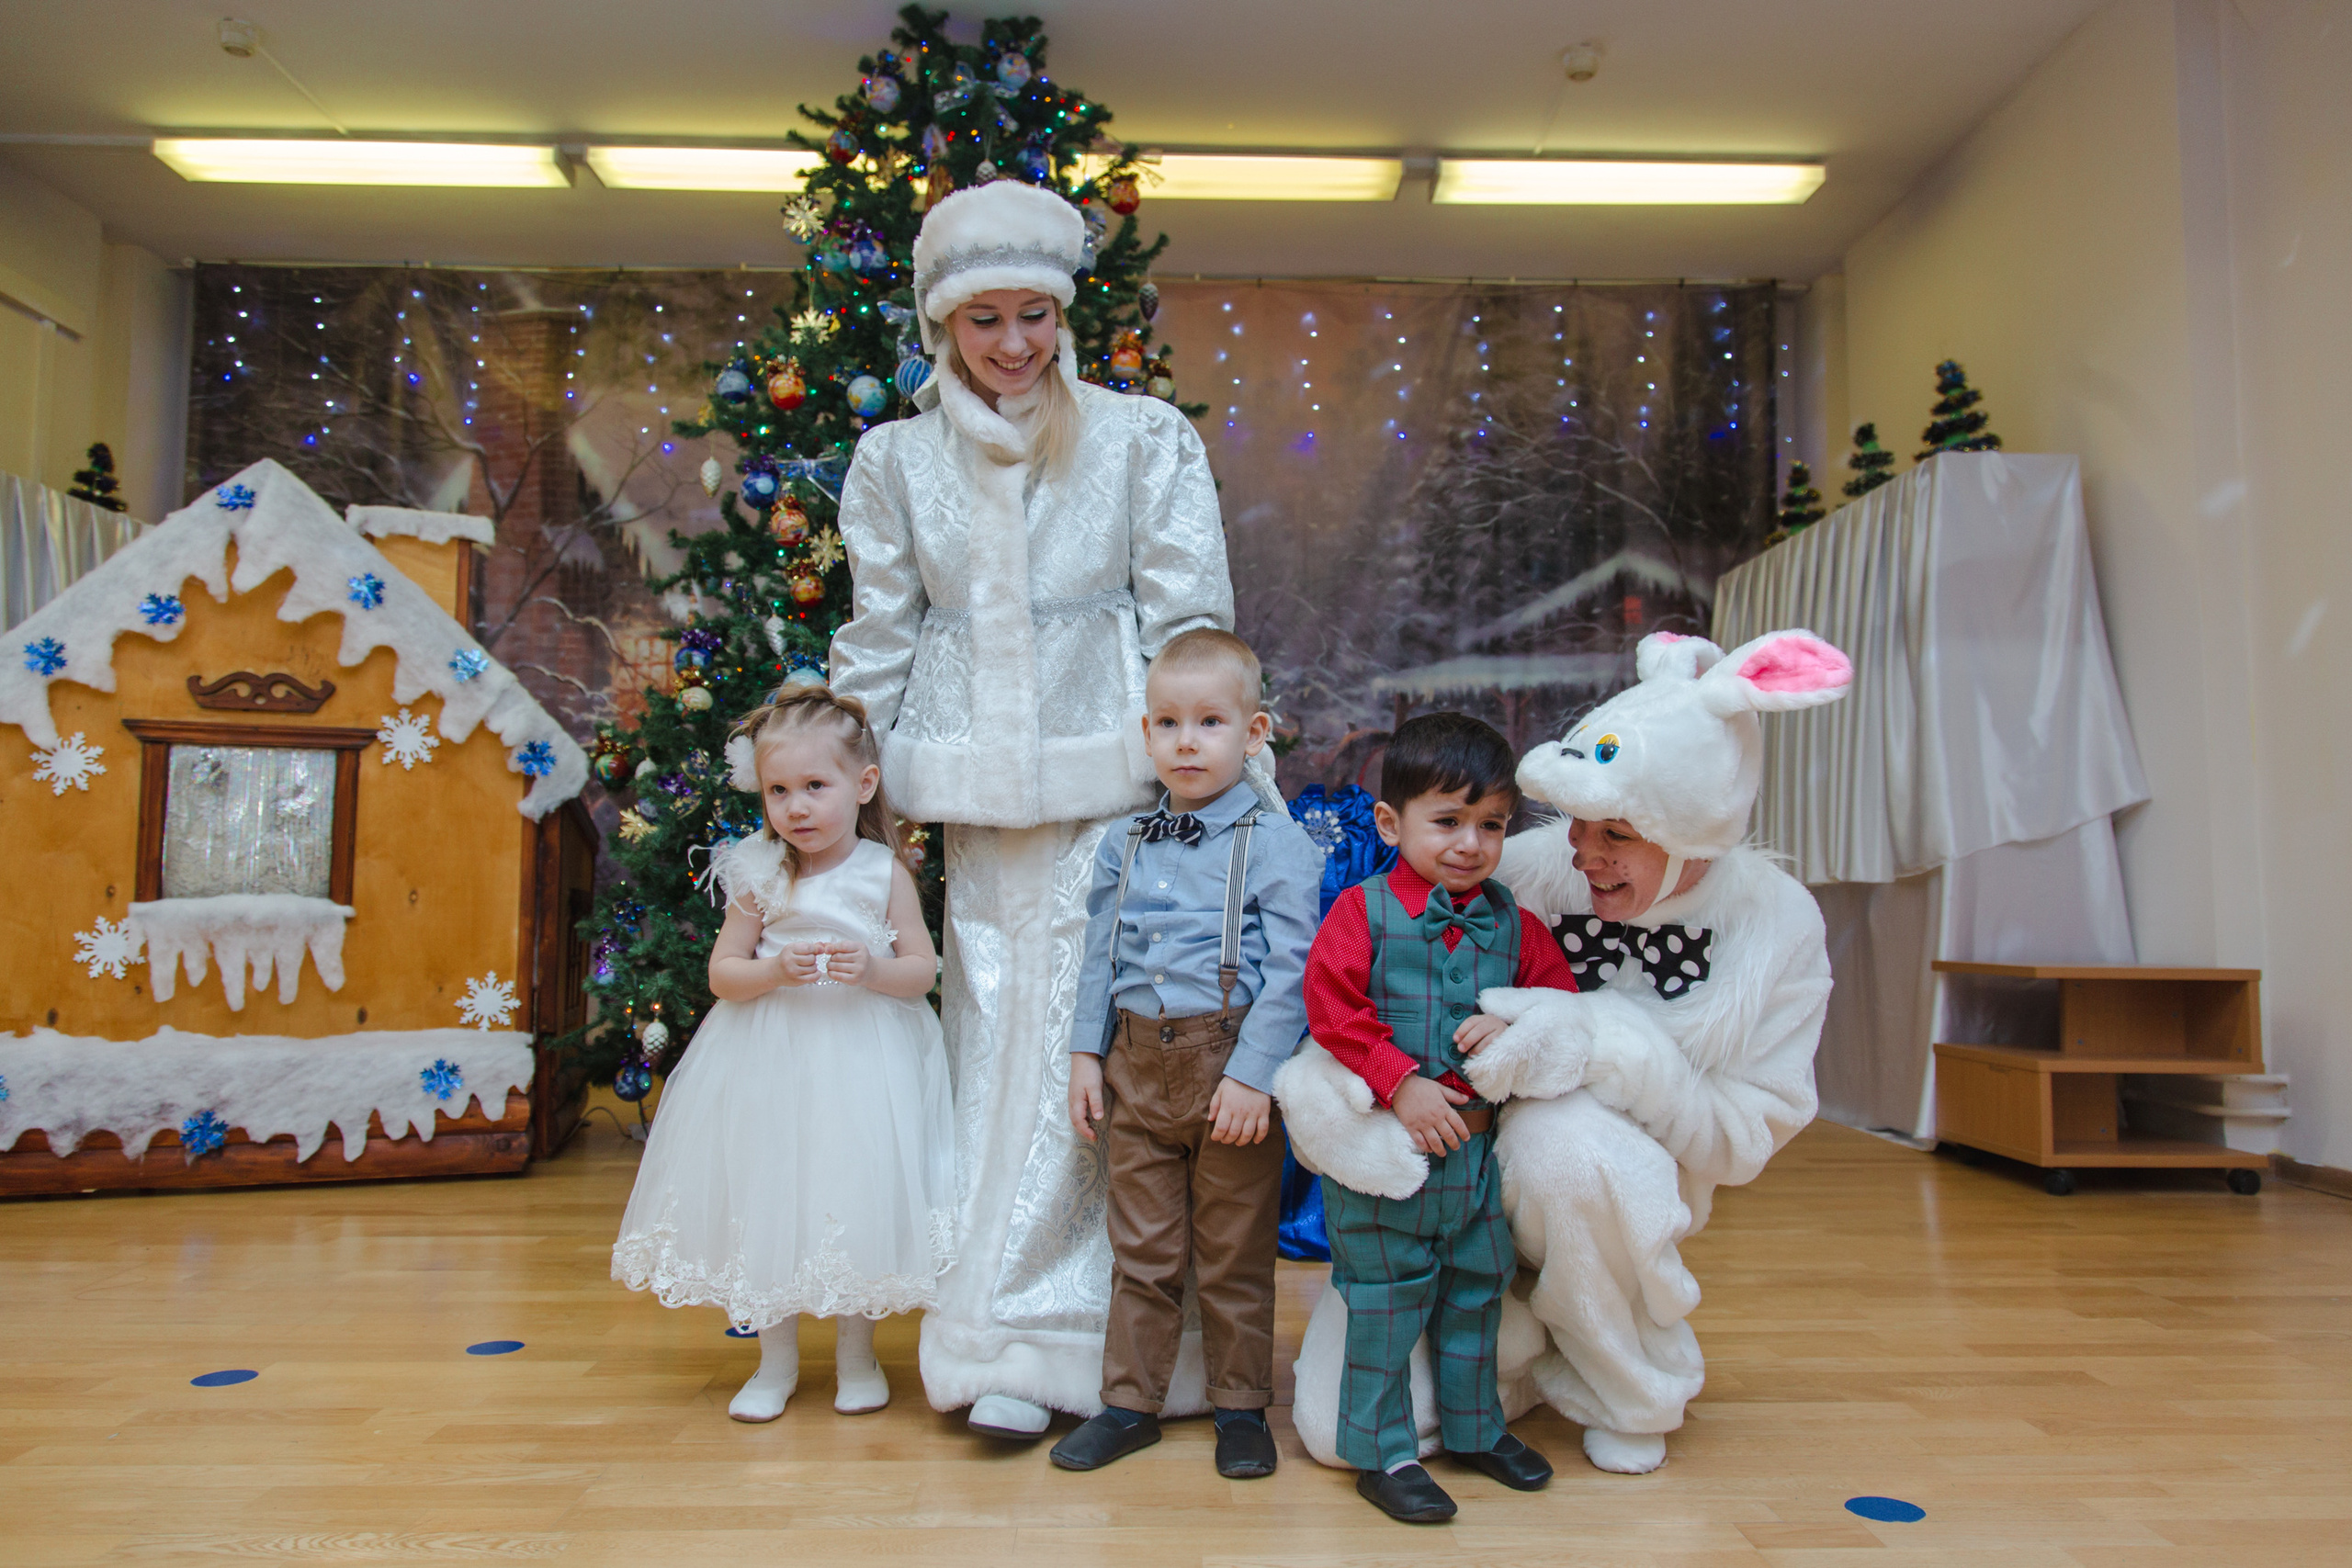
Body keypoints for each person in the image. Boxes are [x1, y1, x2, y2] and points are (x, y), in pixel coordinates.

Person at [827, 180, 1241, 1439]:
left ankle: (1091, 1335)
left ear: (1062, 313)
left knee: (1090, 1041)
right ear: (944, 323)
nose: (1013, 343)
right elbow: (878, 632)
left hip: (1112, 781)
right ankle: (993, 1320)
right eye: (985, 319)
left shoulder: (1139, 437)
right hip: (968, 794)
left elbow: (1189, 613)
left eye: (1033, 316)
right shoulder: (894, 459)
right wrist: (856, 788)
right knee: (990, 1041)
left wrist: (1218, 765)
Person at [1461, 628, 1851, 1474]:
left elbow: (1747, 1136)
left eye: (1616, 833)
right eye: (1578, 825)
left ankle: (1624, 1373)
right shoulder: (1527, 874)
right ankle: (1503, 1335)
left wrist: (1618, 1052)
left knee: (1561, 1148)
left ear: (1690, 832)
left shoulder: (1773, 928)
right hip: (1461, 1145)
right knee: (1338, 1415)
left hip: (1622, 1173)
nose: (1583, 852)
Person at [610, 682, 952, 1421]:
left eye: (815, 787)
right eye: (779, 790)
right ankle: (775, 1361)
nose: (797, 807)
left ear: (862, 785)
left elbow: (923, 970)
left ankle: (858, 1356)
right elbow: (723, 974)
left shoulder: (883, 871)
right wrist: (771, 970)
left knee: (853, 1193)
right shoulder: (757, 872)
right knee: (771, 1196)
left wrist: (872, 968)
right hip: (771, 1058)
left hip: (863, 1060)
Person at [1273, 714, 1573, 1523]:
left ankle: (1477, 1429)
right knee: (1387, 1303)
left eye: (1492, 825)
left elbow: (1561, 1008)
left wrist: (1515, 1024)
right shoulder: (1362, 913)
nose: (1470, 843)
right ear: (1390, 821)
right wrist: (1399, 1079)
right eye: (1447, 821)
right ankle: (1382, 1451)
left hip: (1475, 1159)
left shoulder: (1515, 922)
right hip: (1389, 1160)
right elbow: (1331, 1008)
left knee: (1477, 1289)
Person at [1049, 628, 1322, 1480]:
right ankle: (1130, 1401)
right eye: (1167, 723)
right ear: (1146, 733)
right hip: (1135, 1064)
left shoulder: (1275, 842)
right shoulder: (1123, 842)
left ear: (1254, 732)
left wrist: (1253, 1076)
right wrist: (1086, 1055)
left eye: (1209, 721)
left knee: (1236, 1248)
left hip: (1229, 1065)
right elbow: (1100, 952)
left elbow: (1295, 968)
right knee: (1143, 1248)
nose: (1186, 741)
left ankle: (1243, 1407)